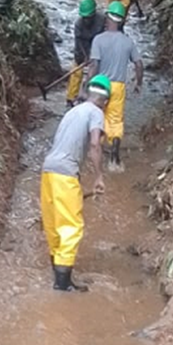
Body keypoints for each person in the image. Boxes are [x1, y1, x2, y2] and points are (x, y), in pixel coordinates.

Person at [41, 75, 109, 292]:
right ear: (105, 101)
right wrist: (99, 176)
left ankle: (59, 275)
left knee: (54, 224)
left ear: (88, 92)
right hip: (66, 173)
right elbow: (95, 145)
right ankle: (62, 285)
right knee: (71, 227)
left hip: (48, 170)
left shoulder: (73, 111)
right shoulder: (96, 112)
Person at [85, 1, 142, 170]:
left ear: (107, 18)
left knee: (97, 117)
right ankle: (114, 157)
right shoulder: (128, 42)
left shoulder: (98, 40)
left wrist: (86, 86)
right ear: (122, 20)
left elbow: (94, 65)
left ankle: (95, 155)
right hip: (118, 86)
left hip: (100, 85)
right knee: (116, 120)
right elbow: (139, 64)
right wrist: (138, 83)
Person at [65, 0, 105, 107]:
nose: (86, 20)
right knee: (76, 72)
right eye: (85, 18)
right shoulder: (78, 24)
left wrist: (96, 54)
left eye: (89, 18)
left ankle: (92, 97)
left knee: (97, 73)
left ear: (93, 14)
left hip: (97, 48)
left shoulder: (102, 20)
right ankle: (71, 98)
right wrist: (85, 56)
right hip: (82, 48)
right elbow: (79, 43)